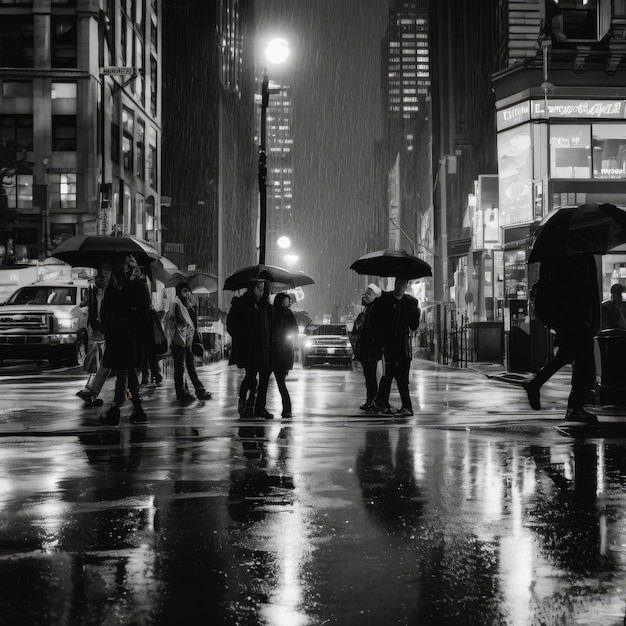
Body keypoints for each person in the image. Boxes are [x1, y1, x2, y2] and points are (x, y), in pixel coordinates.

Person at [522, 254, 600, 423]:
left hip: (572, 318)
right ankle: (575, 406)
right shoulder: (567, 257)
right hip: (571, 318)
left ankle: (536, 386)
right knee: (582, 356)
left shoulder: (570, 256)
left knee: (567, 355)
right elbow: (571, 290)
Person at [99, 254, 152, 425]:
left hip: (121, 335)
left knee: (125, 372)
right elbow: (145, 309)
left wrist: (109, 328)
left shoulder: (118, 286)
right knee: (127, 372)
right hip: (129, 335)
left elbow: (106, 312)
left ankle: (119, 409)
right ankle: (136, 408)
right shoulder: (136, 284)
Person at [370, 277, 421, 417]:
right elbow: (378, 323)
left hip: (403, 347)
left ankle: (383, 402)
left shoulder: (410, 303)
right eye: (399, 283)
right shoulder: (384, 301)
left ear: (406, 285)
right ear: (396, 283)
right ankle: (386, 403)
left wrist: (416, 312)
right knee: (390, 375)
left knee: (401, 378)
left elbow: (413, 325)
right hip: (389, 346)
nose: (401, 286)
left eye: (403, 283)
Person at [226, 280, 273, 419]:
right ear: (252, 288)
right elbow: (232, 326)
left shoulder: (265, 306)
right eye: (259, 288)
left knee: (262, 378)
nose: (261, 291)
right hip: (249, 347)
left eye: (263, 288)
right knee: (251, 377)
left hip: (263, 347)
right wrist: (243, 336)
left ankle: (255, 405)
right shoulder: (242, 304)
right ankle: (244, 401)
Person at [166, 282, 211, 402]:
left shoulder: (189, 304)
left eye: (187, 291)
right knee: (180, 367)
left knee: (190, 366)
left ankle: (199, 390)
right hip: (179, 340)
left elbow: (194, 324)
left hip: (188, 340)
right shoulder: (175, 305)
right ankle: (182, 393)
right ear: (179, 292)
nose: (186, 294)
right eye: (183, 291)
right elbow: (175, 322)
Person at [76, 273, 108, 407]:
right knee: (99, 364)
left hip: (107, 331)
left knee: (107, 365)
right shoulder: (92, 289)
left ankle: (91, 391)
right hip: (97, 331)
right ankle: (91, 391)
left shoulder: (110, 289)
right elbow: (89, 308)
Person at [352, 283, 382, 411]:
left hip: (371, 349)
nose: (366, 296)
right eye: (366, 293)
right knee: (368, 376)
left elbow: (374, 330)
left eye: (369, 294)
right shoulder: (366, 309)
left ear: (376, 296)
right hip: (365, 348)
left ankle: (374, 400)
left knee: (371, 377)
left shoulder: (375, 309)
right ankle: (371, 400)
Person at [270, 292, 299, 418]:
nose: (288, 303)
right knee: (273, 383)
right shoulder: (273, 313)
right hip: (273, 352)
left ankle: (287, 409)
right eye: (286, 301)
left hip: (284, 353)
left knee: (281, 383)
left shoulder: (289, 315)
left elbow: (295, 331)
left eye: (288, 301)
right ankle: (286, 409)